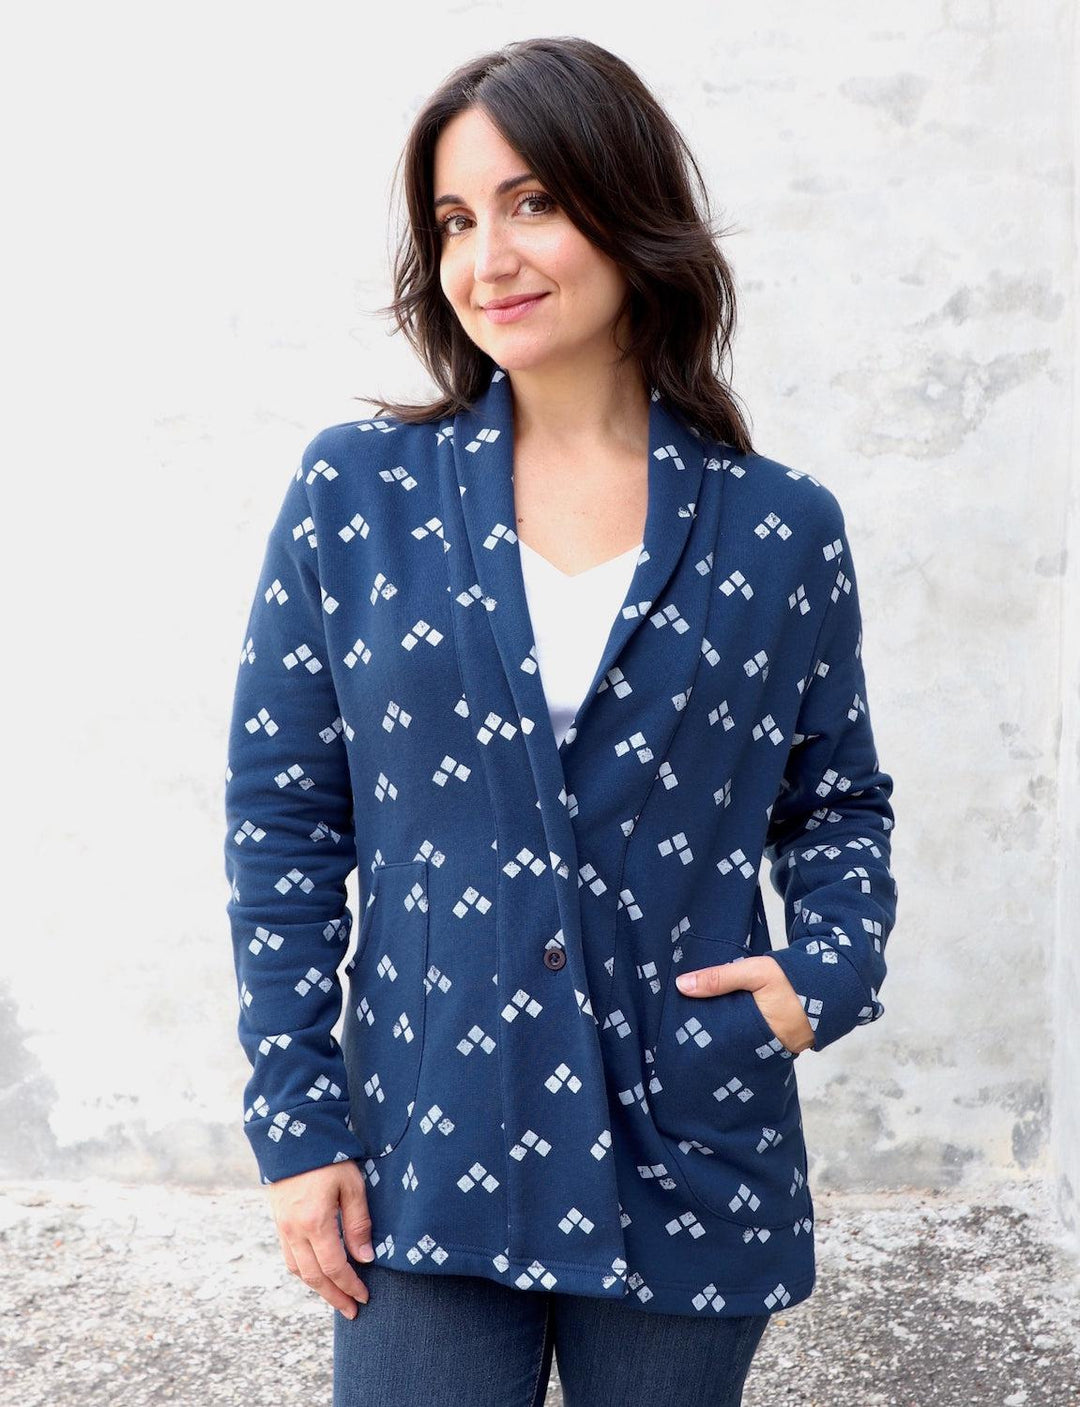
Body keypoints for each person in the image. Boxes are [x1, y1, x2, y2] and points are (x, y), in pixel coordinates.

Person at [222, 35, 899, 1407]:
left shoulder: (781, 530)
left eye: (530, 202)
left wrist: (820, 979)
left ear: (626, 207)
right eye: (453, 222)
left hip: (689, 1143)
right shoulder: (359, 495)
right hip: (426, 1139)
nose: (488, 260)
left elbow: (837, 803)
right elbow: (284, 821)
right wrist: (297, 1123)